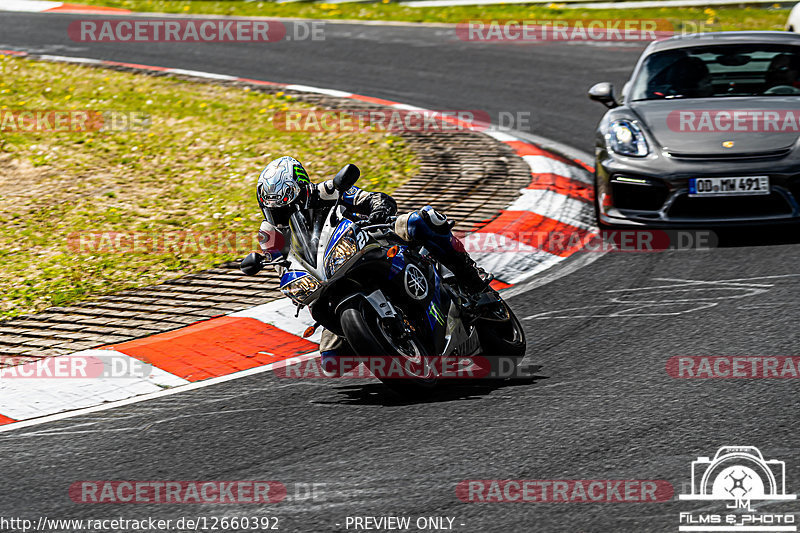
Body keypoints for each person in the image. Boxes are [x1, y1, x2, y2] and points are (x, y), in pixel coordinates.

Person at [244, 156, 489, 371]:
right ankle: (382, 339)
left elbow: (373, 199)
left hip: (366, 239)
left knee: (423, 221)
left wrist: (379, 209)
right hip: (326, 277)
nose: (282, 215)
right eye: (275, 211)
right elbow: (283, 268)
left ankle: (471, 278)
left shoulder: (327, 191)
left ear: (303, 190)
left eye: (288, 207)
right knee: (333, 362)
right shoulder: (269, 235)